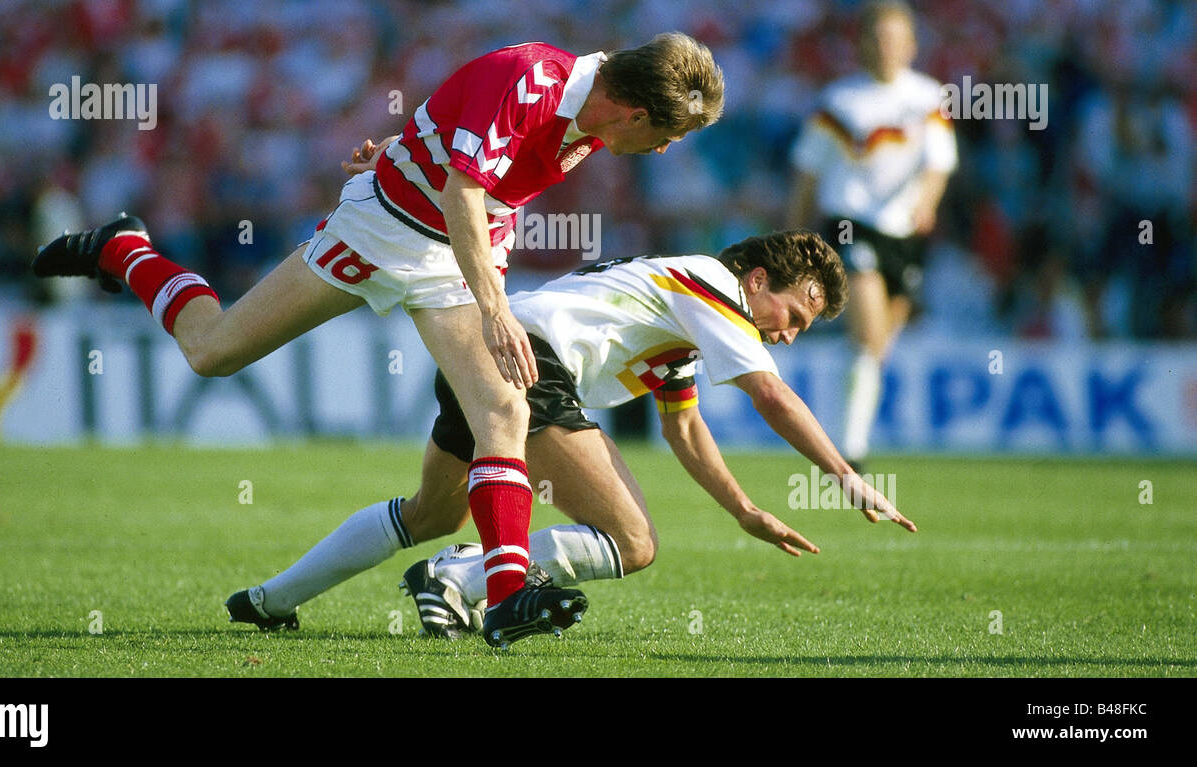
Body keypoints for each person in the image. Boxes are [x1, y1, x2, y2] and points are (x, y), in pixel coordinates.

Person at [32, 34, 724, 648]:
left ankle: (507, 594)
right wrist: (495, 307)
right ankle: (124, 249)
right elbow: (462, 189)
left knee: (504, 411)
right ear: (635, 112)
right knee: (212, 350)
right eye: (668, 135)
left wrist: (403, 148)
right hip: (381, 230)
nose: (663, 150)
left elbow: (472, 153)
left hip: (451, 259)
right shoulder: (529, 78)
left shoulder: (591, 117)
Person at [224, 229, 916, 641]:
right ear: (758, 279)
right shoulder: (713, 285)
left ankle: (269, 599)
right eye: (792, 313)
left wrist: (745, 510)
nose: (788, 334)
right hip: (532, 361)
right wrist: (845, 474)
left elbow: (684, 427)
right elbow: (771, 392)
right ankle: (459, 575)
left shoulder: (683, 317)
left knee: (428, 511)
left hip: (484, 348)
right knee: (634, 542)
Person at [788, 0, 956, 471]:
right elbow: (806, 174)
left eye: (895, 39)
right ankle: (851, 452)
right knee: (867, 332)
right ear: (862, 44)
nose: (886, 48)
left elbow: (938, 164)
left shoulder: (928, 98)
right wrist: (792, 236)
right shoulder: (839, 102)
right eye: (878, 38)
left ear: (912, 45)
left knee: (876, 348)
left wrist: (926, 202)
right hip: (850, 224)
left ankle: (845, 432)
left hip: (903, 235)